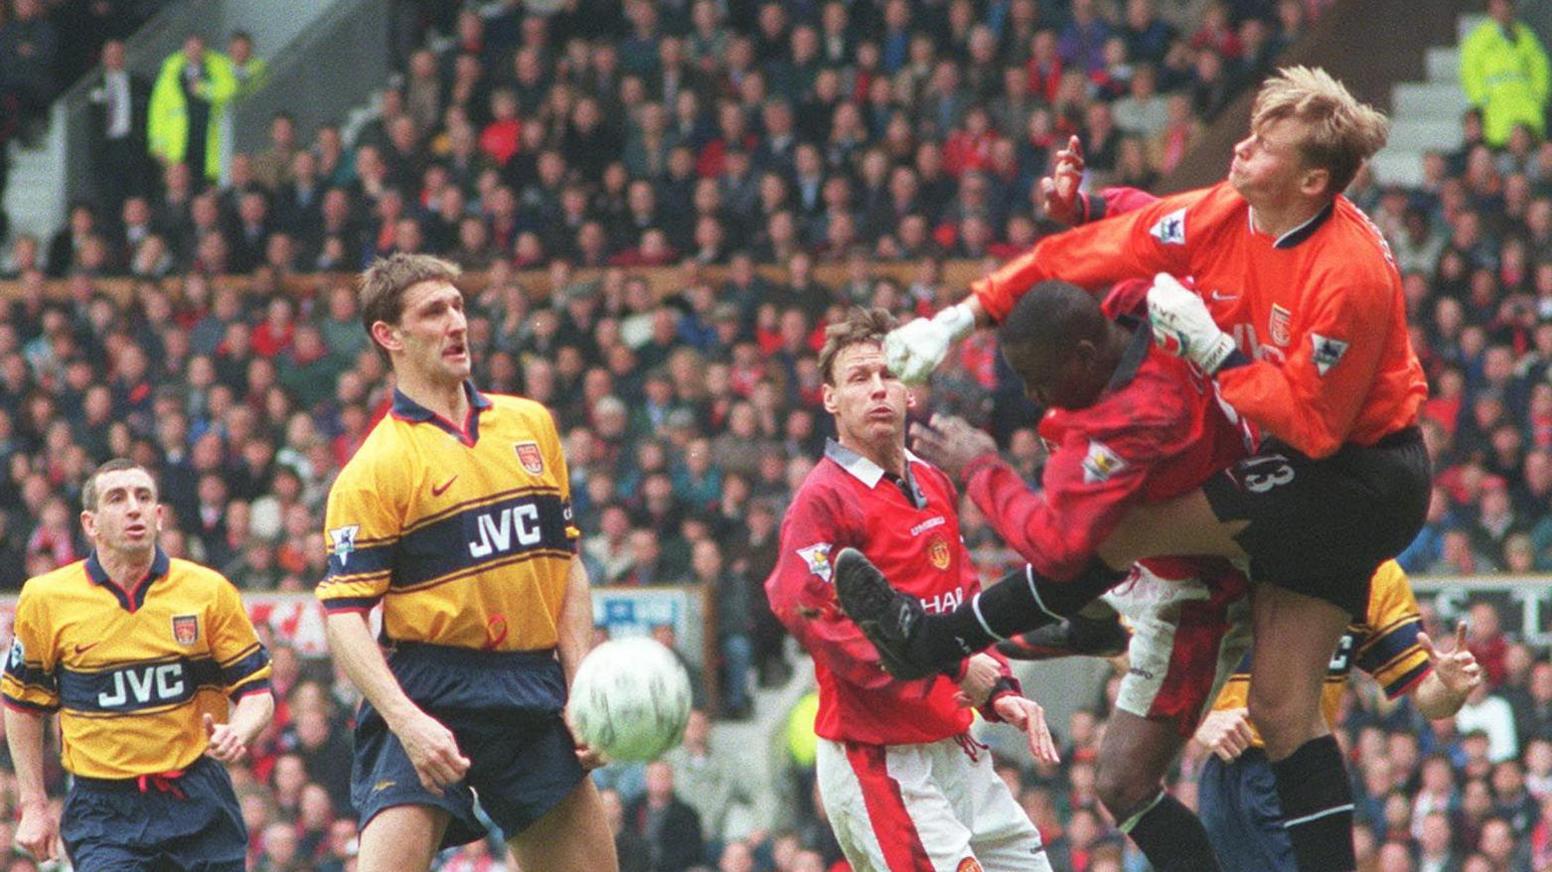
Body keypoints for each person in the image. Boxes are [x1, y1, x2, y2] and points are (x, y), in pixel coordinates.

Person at [851, 67, 1429, 872]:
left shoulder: (1348, 272)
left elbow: (1316, 426)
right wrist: (964, 314)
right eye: (1251, 130)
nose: (1242, 147)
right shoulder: (1234, 208)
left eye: (1265, 146)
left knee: (1116, 532)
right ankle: (1082, 617)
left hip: (1362, 477)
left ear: (1311, 180)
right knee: (1281, 707)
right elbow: (1104, 244)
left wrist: (1213, 351)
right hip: (1296, 466)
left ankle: (950, 635)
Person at [315, 253, 617, 871]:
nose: (456, 323)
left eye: (458, 306)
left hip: (529, 684)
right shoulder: (374, 469)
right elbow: (344, 617)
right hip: (428, 687)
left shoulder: (530, 424)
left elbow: (567, 566)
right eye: (433, 312)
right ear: (388, 336)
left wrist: (580, 683)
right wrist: (407, 722)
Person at [765, 307, 1060, 872]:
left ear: (909, 390)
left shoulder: (930, 479)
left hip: (954, 742)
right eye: (858, 378)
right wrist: (949, 670)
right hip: (881, 757)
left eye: (888, 374)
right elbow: (809, 612)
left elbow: (962, 601)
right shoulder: (822, 499)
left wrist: (998, 688)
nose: (877, 389)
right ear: (830, 399)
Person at [2, 458, 275, 870]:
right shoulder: (46, 599)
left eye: (143, 497)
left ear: (159, 516)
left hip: (198, 795)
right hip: (105, 810)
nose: (134, 508)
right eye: (117, 498)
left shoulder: (209, 591)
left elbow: (256, 692)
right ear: (90, 524)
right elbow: (23, 705)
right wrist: (35, 805)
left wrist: (240, 730)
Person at [1194, 567, 1483, 871]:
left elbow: (1429, 698)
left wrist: (1448, 689)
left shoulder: (1376, 570)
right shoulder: (1225, 548)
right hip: (1234, 767)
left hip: (1311, 763)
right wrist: (1199, 717)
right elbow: (1143, 637)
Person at [148, 34, 237, 184]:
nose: (194, 52)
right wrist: (157, 145)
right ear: (184, 50)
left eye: (198, 49)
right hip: (179, 142)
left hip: (208, 140)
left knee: (206, 185)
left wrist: (204, 89)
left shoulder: (218, 67)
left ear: (205, 50)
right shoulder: (170, 72)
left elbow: (229, 89)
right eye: (191, 48)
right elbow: (158, 112)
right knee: (179, 185)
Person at [1460, 0, 1550, 147]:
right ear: (1490, 10)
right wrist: (1482, 99)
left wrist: (1539, 95)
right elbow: (1470, 69)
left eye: (1505, 5)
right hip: (1497, 111)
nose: (1502, 10)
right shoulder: (1479, 38)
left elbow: (1539, 65)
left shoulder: (1525, 35)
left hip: (1526, 107)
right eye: (1497, 6)